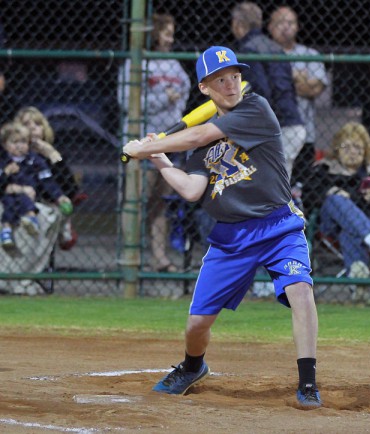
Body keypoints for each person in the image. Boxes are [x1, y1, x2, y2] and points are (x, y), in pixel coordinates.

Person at [123, 46, 321, 408]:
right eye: (220, 79)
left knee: (301, 292)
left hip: (278, 225)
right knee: (196, 325)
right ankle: (192, 366)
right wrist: (159, 158)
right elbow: (192, 189)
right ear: (204, 87)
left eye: (234, 76)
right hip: (232, 237)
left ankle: (308, 382)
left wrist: (141, 147)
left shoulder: (255, 108)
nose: (230, 84)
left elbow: (197, 136)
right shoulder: (205, 144)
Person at [119, 12, 192, 272]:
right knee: (137, 200)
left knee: (162, 202)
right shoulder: (137, 63)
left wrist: (173, 101)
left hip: (168, 141)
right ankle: (131, 257)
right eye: (166, 32)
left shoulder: (174, 64)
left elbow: (183, 94)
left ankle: (159, 258)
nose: (171, 37)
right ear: (154, 33)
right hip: (143, 140)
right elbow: (127, 102)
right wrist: (164, 99)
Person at [303, 122, 370, 278]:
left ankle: (358, 281)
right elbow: (308, 195)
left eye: (357, 147)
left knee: (349, 232)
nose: (352, 152)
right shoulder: (324, 169)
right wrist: (333, 191)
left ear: (366, 150)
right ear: (337, 150)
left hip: (368, 221)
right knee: (335, 199)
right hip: (331, 225)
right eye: (346, 147)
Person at [230, 2, 305, 178]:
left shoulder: (249, 48)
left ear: (237, 24)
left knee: (269, 185)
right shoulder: (274, 47)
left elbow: (261, 92)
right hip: (291, 123)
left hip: (279, 126)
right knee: (274, 183)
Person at [267, 5, 329, 186]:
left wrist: (280, 81)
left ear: (297, 26)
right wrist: (297, 78)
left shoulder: (310, 54)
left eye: (290, 22)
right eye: (280, 23)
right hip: (268, 131)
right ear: (270, 27)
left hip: (303, 132)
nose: (285, 27)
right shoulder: (260, 53)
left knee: (298, 186)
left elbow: (315, 89)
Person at [14, 106, 81, 250]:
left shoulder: (52, 152)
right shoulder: (11, 155)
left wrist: (51, 154)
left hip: (47, 201)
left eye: (37, 125)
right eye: (26, 125)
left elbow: (70, 189)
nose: (32, 129)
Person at [0, 121, 73, 249]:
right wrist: (5, 173)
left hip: (29, 194)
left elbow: (47, 180)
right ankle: (6, 232)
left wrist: (59, 196)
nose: (19, 146)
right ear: (5, 145)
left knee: (25, 199)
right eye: (14, 142)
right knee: (8, 203)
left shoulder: (35, 160)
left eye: (23, 142)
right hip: (9, 193)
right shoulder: (4, 162)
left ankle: (31, 219)